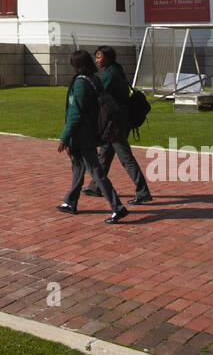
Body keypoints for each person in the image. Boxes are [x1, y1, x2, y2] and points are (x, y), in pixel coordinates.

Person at [56, 50, 128, 223]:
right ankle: (71, 201)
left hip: (82, 135)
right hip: (91, 131)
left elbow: (75, 113)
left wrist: (65, 136)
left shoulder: (80, 83)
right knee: (78, 167)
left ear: (76, 66)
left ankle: (117, 207)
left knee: (95, 171)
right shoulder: (94, 79)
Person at [82, 46, 153, 205]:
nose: (97, 60)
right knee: (104, 154)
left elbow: (98, 93)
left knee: (126, 158)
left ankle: (143, 192)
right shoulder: (116, 70)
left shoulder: (110, 74)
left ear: (107, 58)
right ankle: (96, 186)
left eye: (99, 57)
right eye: (96, 57)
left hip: (115, 124)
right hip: (118, 120)